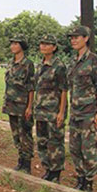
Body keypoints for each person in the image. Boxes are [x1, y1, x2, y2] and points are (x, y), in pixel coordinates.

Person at [66, 26, 97, 192]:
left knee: (88, 148)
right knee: (74, 148)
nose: (73, 40)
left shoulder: (93, 61)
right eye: (72, 38)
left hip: (89, 112)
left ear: (86, 38)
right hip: (75, 112)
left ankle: (89, 182)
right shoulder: (73, 62)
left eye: (77, 37)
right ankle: (80, 178)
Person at [33, 34, 67, 183]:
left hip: (53, 111)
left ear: (54, 47)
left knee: (55, 142)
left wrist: (61, 112)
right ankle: (47, 169)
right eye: (42, 44)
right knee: (42, 141)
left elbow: (64, 90)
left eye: (47, 44)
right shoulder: (40, 65)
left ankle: (56, 172)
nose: (44, 47)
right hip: (41, 110)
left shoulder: (59, 66)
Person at [2, 35, 35, 173]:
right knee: (16, 135)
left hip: (22, 105)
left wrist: (29, 106)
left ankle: (27, 163)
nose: (12, 46)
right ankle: (20, 160)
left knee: (25, 135)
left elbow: (31, 87)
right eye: (11, 44)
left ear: (21, 46)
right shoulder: (11, 63)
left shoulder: (28, 64)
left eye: (15, 44)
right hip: (11, 105)